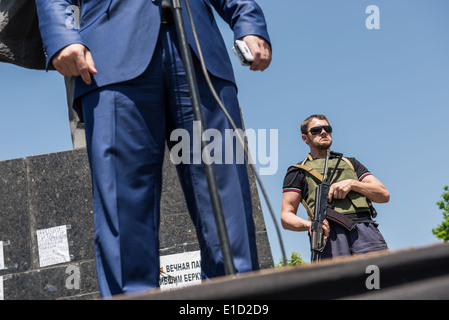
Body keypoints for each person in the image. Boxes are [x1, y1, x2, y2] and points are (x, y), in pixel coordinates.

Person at [35, 0, 272, 297]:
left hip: (199, 51)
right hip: (110, 57)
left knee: (227, 197)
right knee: (124, 202)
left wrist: (248, 21)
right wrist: (62, 34)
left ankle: (236, 299)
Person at [281, 114, 389, 260]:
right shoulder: (297, 171)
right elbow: (286, 216)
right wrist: (310, 225)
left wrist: (353, 184)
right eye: (316, 130)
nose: (323, 132)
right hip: (329, 235)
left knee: (380, 279)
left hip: (365, 230)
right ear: (305, 138)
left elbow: (383, 195)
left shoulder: (350, 163)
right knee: (338, 281)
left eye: (327, 129)